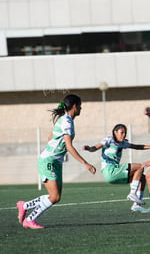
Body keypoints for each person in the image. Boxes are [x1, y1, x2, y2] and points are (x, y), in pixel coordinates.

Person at [16, 94, 96, 229]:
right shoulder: (67, 122)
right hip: (48, 161)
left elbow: (50, 137)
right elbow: (69, 146)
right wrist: (85, 163)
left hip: (55, 162)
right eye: (80, 106)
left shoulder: (65, 120)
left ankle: (24, 205)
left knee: (56, 197)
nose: (81, 109)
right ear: (75, 106)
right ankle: (29, 219)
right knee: (54, 196)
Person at [83, 124, 150, 212]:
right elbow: (95, 147)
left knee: (142, 178)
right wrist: (89, 148)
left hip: (114, 171)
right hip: (109, 170)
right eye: (121, 132)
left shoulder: (122, 143)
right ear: (115, 132)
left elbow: (136, 146)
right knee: (140, 167)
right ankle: (133, 194)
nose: (124, 134)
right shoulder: (109, 140)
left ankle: (136, 205)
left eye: (125, 133)